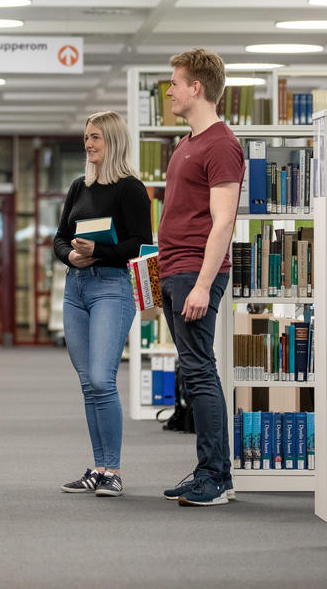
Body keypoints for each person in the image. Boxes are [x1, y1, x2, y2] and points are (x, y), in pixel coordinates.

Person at [157, 49, 245, 507]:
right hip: (175, 269)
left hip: (195, 270)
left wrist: (203, 283)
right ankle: (213, 472)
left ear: (197, 87)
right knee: (193, 372)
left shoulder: (221, 144)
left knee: (199, 371)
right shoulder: (187, 143)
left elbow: (223, 221)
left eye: (175, 82)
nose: (169, 90)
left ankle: (215, 476)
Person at [53, 110, 153, 497]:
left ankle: (113, 469)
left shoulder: (130, 188)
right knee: (86, 383)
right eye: (86, 138)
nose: (88, 144)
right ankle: (97, 466)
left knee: (101, 378)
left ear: (113, 141)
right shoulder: (80, 186)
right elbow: (60, 236)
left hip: (113, 287)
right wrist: (70, 256)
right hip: (76, 288)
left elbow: (141, 244)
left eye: (96, 137)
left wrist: (100, 250)